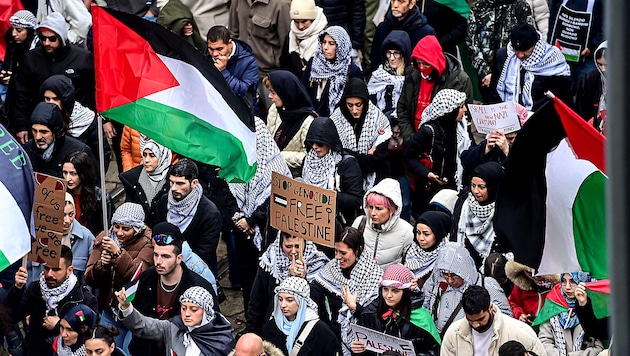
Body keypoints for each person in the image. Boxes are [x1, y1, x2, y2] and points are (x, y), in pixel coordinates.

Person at [227, 117, 291, 315]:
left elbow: (279, 193)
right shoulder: (236, 159)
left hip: (266, 230)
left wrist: (253, 219)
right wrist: (239, 218)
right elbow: (226, 191)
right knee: (248, 278)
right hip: (242, 230)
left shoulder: (271, 160)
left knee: (265, 277)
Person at [127, 222, 219, 355]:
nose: (158, 261)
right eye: (155, 255)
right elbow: (137, 316)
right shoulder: (147, 278)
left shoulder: (198, 286)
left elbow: (213, 328)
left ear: (179, 258)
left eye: (165, 256)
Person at [11, 12, 95, 143]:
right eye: (43, 38)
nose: (46, 43)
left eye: (52, 39)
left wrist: (100, 120)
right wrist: (21, 126)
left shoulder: (83, 58)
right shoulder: (31, 58)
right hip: (41, 125)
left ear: (61, 37)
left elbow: (93, 91)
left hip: (76, 125)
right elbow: (22, 94)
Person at [3, 245, 98, 356]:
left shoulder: (83, 297)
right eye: (47, 268)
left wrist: (59, 326)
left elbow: (91, 334)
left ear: (70, 270)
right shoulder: (35, 289)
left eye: (56, 269)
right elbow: (10, 317)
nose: (49, 274)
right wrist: (17, 289)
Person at [84, 202, 154, 352]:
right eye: (116, 226)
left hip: (134, 313)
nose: (119, 232)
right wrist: (102, 265)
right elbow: (89, 277)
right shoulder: (105, 237)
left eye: (126, 229)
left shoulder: (148, 244)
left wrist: (118, 254)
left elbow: (137, 277)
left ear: (137, 228)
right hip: (110, 312)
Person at [311, 227, 384, 355]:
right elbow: (313, 294)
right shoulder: (332, 269)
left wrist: (355, 307)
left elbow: (376, 319)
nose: (338, 257)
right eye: (336, 251)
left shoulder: (374, 277)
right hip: (333, 339)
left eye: (343, 253)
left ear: (357, 251)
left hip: (362, 347)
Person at [246, 232, 329, 335]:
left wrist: (302, 279)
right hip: (275, 328)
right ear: (281, 244)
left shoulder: (317, 263)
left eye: (298, 246)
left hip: (307, 331)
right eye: (288, 246)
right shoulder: (270, 261)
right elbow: (257, 301)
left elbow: (318, 302)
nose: (293, 252)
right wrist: (251, 332)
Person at [396, 35, 473, 144]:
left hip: (442, 144)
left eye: (426, 64)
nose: (421, 67)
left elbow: (464, 117)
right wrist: (411, 139)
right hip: (413, 139)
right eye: (418, 63)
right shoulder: (412, 74)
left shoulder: (459, 80)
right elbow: (402, 108)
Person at [117, 285, 235, 356]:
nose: (187, 314)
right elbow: (143, 325)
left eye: (193, 309)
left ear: (206, 312)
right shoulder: (174, 327)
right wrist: (126, 307)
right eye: (183, 308)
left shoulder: (221, 339)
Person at [423, 242, 512, 335]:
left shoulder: (487, 285)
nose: (449, 280)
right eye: (445, 274)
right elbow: (426, 308)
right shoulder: (435, 284)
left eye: (454, 275)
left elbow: (506, 318)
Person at [351, 264, 441, 355]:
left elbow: (435, 352)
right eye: (385, 289)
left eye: (395, 290)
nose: (389, 295)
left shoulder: (422, 318)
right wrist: (357, 351)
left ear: (405, 292)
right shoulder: (371, 312)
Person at [403, 89, 468, 214]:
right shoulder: (428, 131)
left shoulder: (461, 130)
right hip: (427, 190)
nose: (465, 110)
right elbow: (408, 157)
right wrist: (428, 174)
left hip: (450, 188)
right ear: (450, 111)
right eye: (461, 107)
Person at [153, 158, 222, 267]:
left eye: (180, 183)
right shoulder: (163, 202)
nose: (174, 188)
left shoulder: (209, 213)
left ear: (194, 183)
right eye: (172, 182)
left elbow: (205, 253)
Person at [441, 286, 545, 355]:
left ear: (491, 308)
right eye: (470, 320)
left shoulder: (520, 333)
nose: (476, 325)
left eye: (481, 319)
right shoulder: (453, 334)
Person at [39, 74, 112, 172]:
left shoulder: (86, 119)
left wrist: (93, 179)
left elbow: (102, 153)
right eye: (47, 99)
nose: (51, 103)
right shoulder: (43, 118)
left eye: (55, 99)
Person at [330, 78, 392, 190]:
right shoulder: (335, 120)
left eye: (358, 105)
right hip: (344, 182)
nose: (354, 110)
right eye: (350, 105)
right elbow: (333, 155)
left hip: (375, 183)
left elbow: (376, 161)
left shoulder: (379, 121)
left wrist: (346, 153)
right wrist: (364, 158)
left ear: (365, 102)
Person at [466, 0, 532, 102]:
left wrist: (503, 75)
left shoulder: (521, 6)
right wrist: (485, 73)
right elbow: (472, 44)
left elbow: (527, 43)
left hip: (514, 78)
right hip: (486, 78)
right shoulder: (478, 7)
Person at [302, 116, 364, 224]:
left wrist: (332, 196)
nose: (315, 147)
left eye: (320, 143)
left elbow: (356, 199)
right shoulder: (308, 160)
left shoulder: (347, 164)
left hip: (337, 223)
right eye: (311, 143)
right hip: (309, 218)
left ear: (329, 142)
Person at [229, 0, 291, 108]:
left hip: (269, 75)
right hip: (243, 73)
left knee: (274, 116)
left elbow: (287, 44)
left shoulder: (281, 4)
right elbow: (233, 33)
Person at [496, 23, 571, 111]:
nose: (520, 55)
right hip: (509, 116)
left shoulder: (552, 59)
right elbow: (495, 93)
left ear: (535, 46)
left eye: (525, 50)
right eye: (516, 50)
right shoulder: (504, 56)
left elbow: (563, 100)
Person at [28, 193, 95, 286]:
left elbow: (93, 276)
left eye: (71, 214)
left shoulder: (86, 238)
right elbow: (28, 271)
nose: (67, 220)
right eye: (62, 215)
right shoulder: (37, 235)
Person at [262, 277, 340, 355]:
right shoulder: (272, 326)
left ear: (301, 301)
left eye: (289, 300)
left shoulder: (321, 331)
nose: (283, 305)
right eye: (280, 299)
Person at [537, 272, 605, 356]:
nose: (567, 287)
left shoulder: (595, 306)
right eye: (563, 281)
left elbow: (600, 347)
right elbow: (544, 340)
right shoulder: (553, 303)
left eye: (573, 281)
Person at [452, 162, 504, 268]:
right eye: (473, 185)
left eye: (482, 187)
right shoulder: (464, 202)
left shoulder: (504, 210)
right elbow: (454, 232)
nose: (476, 191)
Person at [23, 102, 96, 178]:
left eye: (44, 132)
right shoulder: (26, 150)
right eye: (34, 131)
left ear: (55, 133)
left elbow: (91, 184)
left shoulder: (79, 150)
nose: (38, 137)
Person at [264, 70, 316, 177]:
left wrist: (277, 156)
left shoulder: (308, 121)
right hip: (270, 171)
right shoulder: (275, 110)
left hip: (294, 176)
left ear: (286, 93)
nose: (269, 96)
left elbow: (310, 156)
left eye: (273, 92)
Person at [353, 178, 414, 268]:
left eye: (379, 208)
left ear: (393, 209)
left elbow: (410, 265)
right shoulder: (360, 222)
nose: (373, 213)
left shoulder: (407, 232)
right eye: (370, 207)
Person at [302, 26, 363, 117]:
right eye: (324, 42)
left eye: (331, 43)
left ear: (341, 46)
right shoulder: (314, 64)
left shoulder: (351, 71)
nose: (326, 47)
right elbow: (304, 91)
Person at [548, 0, 604, 92]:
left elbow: (606, 24)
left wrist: (592, 46)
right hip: (560, 57)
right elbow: (553, 19)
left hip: (587, 58)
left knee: (585, 92)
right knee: (562, 95)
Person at [119, 135, 173, 226]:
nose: (146, 160)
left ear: (162, 156)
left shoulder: (174, 177)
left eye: (152, 155)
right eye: (144, 155)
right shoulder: (132, 178)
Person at [370, 0, 436, 71]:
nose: (395, 5)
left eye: (401, 1)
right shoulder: (382, 28)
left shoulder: (426, 33)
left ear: (411, 4)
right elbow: (375, 61)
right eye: (393, 0)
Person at [205, 25, 259, 114]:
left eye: (219, 49)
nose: (215, 54)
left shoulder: (249, 62)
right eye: (211, 49)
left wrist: (223, 72)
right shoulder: (206, 58)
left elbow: (245, 93)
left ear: (229, 43)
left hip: (241, 115)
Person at [1, 10, 37, 128]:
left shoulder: (36, 53)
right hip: (12, 104)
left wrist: (14, 80)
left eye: (19, 30)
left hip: (29, 109)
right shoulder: (13, 46)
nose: (14, 34)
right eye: (13, 29)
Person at [62, 150, 111, 235]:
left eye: (73, 174)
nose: (68, 178)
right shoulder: (60, 193)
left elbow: (106, 229)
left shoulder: (101, 198)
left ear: (83, 173)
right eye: (65, 173)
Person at [368, 30, 412, 121]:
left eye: (396, 53)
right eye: (389, 53)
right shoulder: (378, 75)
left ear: (403, 54)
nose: (392, 58)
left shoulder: (411, 76)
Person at [403, 211, 451, 290]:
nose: (421, 238)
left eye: (426, 234)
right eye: (418, 233)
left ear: (438, 234)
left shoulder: (447, 257)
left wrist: (419, 286)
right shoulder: (412, 249)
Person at [280, 0, 328, 78]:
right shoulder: (290, 36)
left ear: (313, 19)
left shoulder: (327, 37)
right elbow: (284, 64)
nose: (300, 26)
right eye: (296, 22)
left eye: (304, 21)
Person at [505, 260, 557, 326]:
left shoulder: (560, 288)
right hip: (528, 329)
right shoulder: (521, 285)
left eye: (540, 274)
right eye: (530, 272)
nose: (535, 277)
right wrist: (520, 314)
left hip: (551, 328)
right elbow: (513, 302)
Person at [575, 40, 607, 132]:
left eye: (606, 65)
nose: (603, 69)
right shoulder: (590, 79)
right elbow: (581, 110)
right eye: (599, 64)